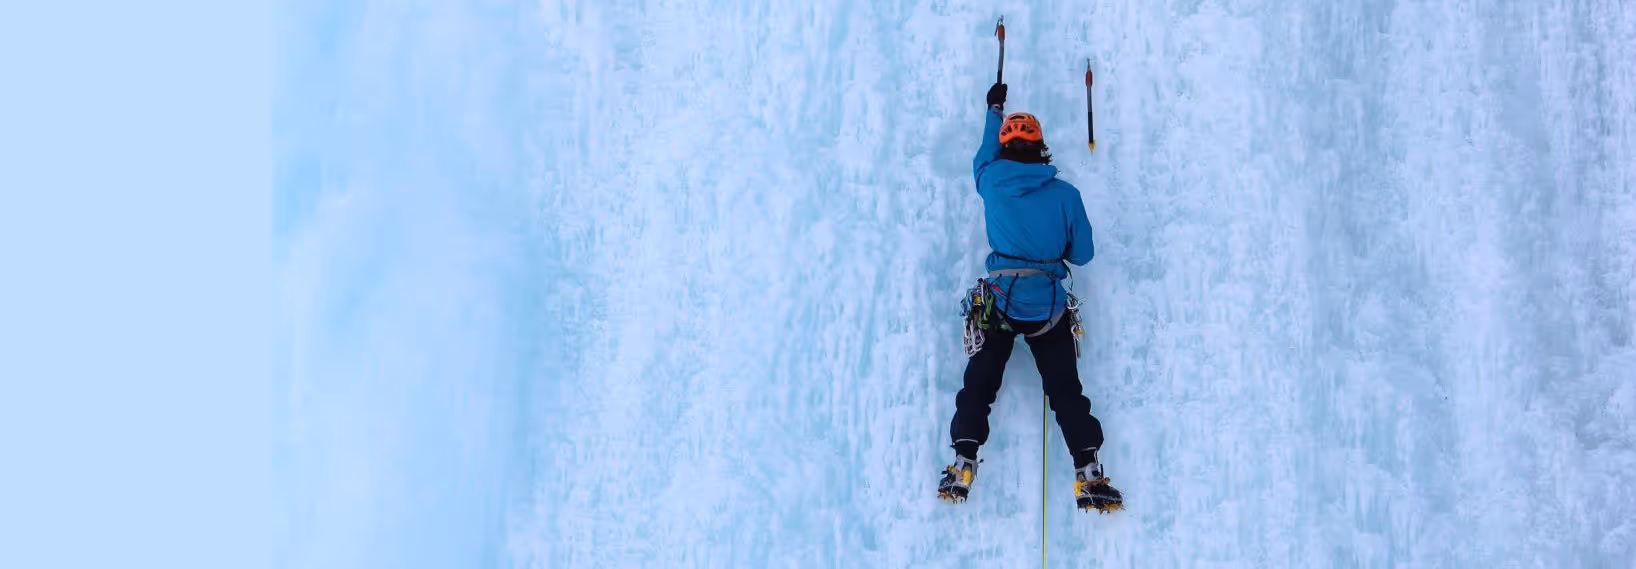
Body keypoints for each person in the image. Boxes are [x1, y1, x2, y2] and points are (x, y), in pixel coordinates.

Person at [936, 82, 1123, 513]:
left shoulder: (990, 181)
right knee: (1065, 392)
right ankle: (1088, 470)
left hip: (1000, 303)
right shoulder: (1066, 195)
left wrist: (993, 108)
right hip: (1047, 310)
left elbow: (983, 154)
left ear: (1005, 149)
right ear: (1041, 147)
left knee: (979, 383)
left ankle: (964, 458)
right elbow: (1084, 253)